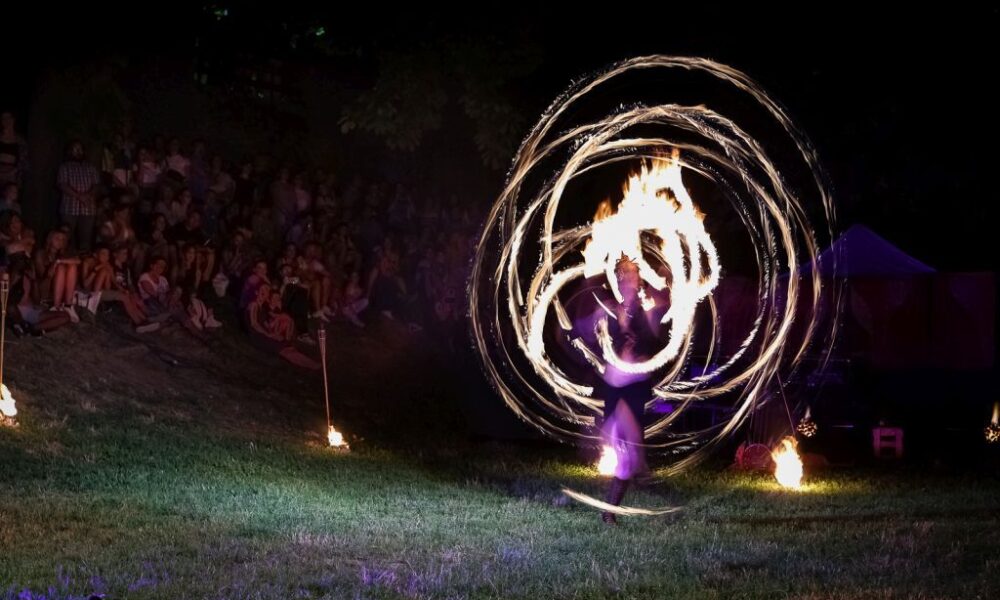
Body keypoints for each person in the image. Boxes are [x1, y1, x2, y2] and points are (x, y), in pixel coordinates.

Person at [596, 255, 658, 525]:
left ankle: (608, 512)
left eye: (634, 274)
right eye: (625, 275)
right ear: (618, 280)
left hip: (638, 386)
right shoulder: (611, 310)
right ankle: (642, 467)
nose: (630, 279)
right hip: (617, 387)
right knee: (633, 450)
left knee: (628, 459)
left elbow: (656, 339)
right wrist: (620, 328)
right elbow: (596, 336)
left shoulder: (648, 309)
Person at [57, 140, 101, 252]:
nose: (78, 151)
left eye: (80, 149)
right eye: (75, 149)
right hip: (69, 208)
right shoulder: (65, 167)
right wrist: (78, 196)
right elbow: (62, 184)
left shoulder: (90, 167)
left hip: (88, 208)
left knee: (85, 239)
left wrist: (88, 195)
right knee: (67, 238)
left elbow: (96, 184)